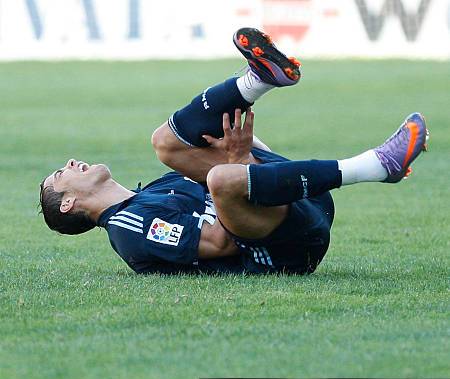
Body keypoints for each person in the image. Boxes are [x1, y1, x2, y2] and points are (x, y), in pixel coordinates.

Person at [39, 27, 428, 275]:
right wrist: (235, 168)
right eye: (61, 174)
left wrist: (245, 154)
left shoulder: (154, 189)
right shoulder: (129, 230)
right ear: (70, 203)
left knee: (165, 143)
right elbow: (220, 242)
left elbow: (244, 177)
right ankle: (378, 165)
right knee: (221, 176)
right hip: (283, 254)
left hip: (301, 204)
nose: (71, 164)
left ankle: (256, 80)